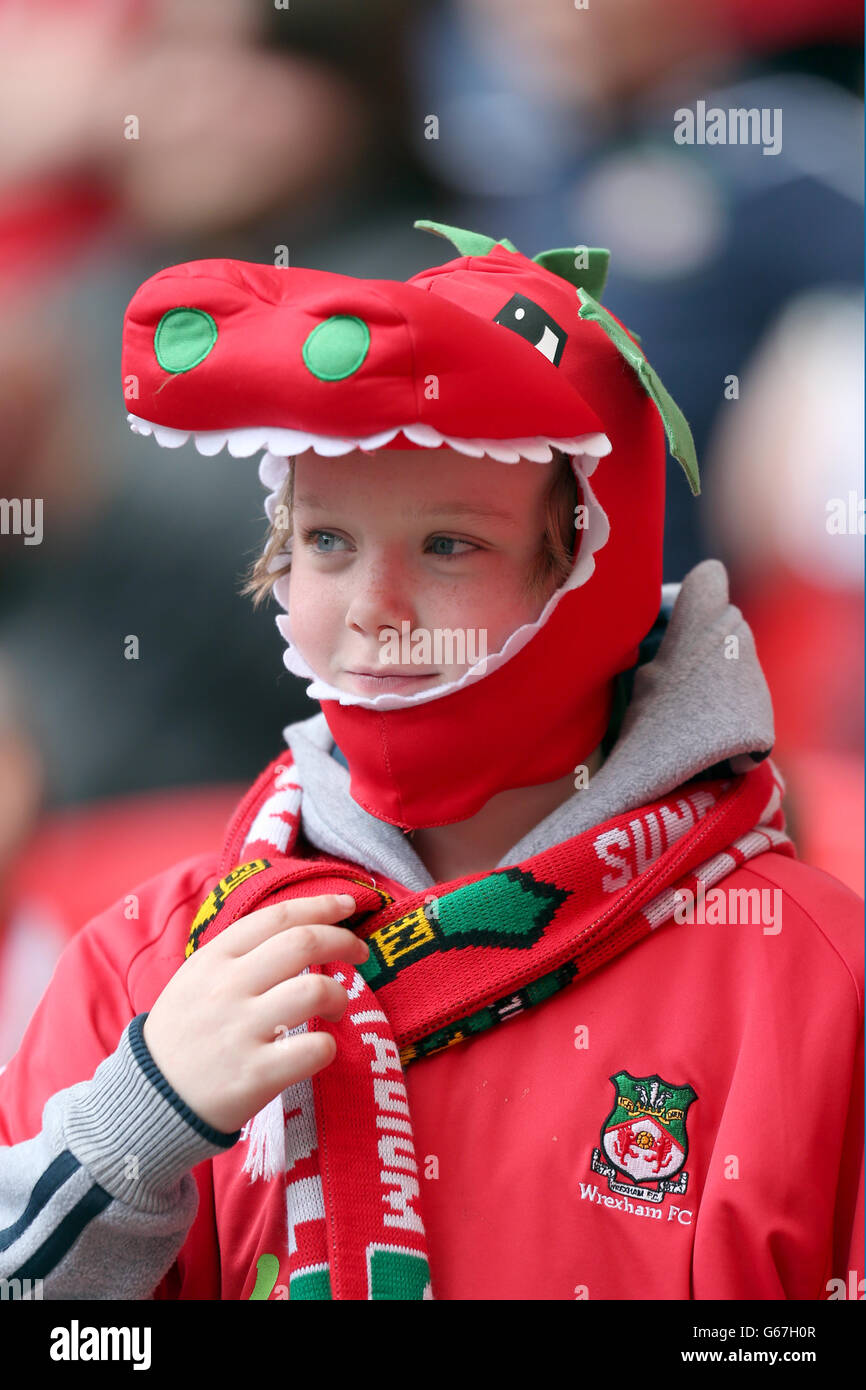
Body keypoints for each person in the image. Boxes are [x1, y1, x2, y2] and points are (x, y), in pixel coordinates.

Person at [0, 221, 861, 1301]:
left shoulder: (812, 980)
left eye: (449, 545)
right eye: (326, 542)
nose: (372, 610)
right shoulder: (155, 962)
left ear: (587, 571)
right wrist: (136, 1127)